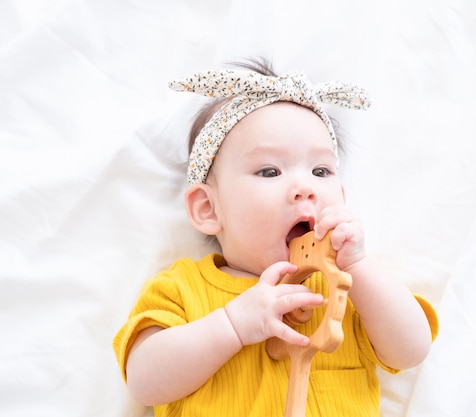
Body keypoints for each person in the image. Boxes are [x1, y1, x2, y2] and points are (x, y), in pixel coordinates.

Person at [113, 57, 438, 417]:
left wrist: (357, 267)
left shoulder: (343, 290)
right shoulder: (182, 288)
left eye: (321, 170)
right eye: (270, 171)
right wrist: (232, 325)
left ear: (342, 198)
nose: (305, 187)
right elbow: (143, 381)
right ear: (209, 209)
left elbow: (412, 350)